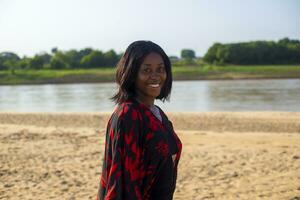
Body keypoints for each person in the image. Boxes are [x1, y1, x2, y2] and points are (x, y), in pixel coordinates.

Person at [97, 40, 182, 200]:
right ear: (131, 73)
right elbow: (123, 181)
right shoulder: (128, 115)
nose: (155, 76)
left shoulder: (157, 114)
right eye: (146, 70)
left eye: (160, 69)